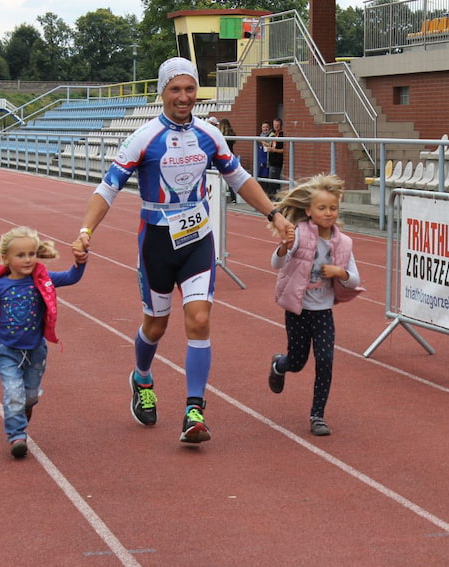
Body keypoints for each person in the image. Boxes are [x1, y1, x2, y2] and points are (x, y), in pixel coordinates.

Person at [75, 57, 293, 444]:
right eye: (175, 89)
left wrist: (275, 214)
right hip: (156, 244)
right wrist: (86, 230)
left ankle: (194, 410)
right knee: (156, 326)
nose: (183, 97)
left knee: (198, 320)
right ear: (162, 92)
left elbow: (240, 179)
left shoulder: (210, 134)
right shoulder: (143, 137)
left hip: (197, 242)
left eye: (189, 89)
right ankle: (142, 378)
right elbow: (107, 188)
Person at [0, 226, 88, 459]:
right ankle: (16, 436)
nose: (27, 259)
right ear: (6, 258)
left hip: (36, 349)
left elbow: (71, 277)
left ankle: (25, 408)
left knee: (29, 396)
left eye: (31, 254)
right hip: (6, 349)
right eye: (20, 255)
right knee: (13, 393)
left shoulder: (42, 279)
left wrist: (80, 262)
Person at [267, 174, 364, 436]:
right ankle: (280, 365)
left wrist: (339, 273)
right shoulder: (300, 234)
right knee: (297, 363)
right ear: (309, 211)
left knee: (325, 360)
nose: (328, 213)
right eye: (322, 208)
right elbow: (277, 264)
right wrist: (283, 248)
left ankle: (317, 415)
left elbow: (355, 278)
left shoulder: (343, 243)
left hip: (323, 313)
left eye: (333, 208)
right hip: (298, 312)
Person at [217, 118, 238, 203]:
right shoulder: (231, 133)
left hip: (223, 157)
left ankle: (220, 197)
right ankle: (233, 198)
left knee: (221, 177)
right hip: (231, 156)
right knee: (230, 178)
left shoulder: (221, 135)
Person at [266, 117, 285, 197]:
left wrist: (274, 150)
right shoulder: (272, 134)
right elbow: (269, 143)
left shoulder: (282, 135)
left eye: (277, 125)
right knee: (271, 179)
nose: (276, 127)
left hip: (277, 161)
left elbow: (284, 150)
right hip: (271, 160)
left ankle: (274, 196)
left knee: (273, 180)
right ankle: (273, 196)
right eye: (274, 125)